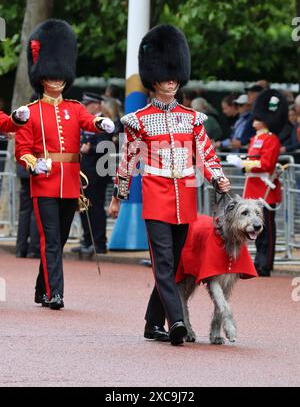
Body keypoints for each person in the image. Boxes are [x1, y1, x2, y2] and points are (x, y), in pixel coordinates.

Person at [108, 24, 231, 346]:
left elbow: (205, 154)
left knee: (173, 264)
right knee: (163, 261)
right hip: (156, 196)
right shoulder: (139, 120)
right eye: (165, 78)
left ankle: (152, 322)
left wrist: (219, 181)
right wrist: (118, 197)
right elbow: (129, 159)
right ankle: (175, 320)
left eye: (174, 77)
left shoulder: (192, 119)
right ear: (153, 81)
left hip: (185, 197)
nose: (171, 82)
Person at [15, 19, 115, 310]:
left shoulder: (74, 108)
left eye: (61, 77)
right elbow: (22, 150)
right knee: (52, 239)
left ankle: (41, 289)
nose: (57, 81)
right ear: (42, 77)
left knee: (56, 238)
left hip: (70, 181)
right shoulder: (29, 112)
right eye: (51, 76)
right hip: (44, 182)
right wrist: (34, 164)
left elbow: (87, 120)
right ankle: (55, 293)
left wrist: (100, 123)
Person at [227, 89, 288, 277]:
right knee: (252, 230)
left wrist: (244, 163)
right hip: (253, 188)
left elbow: (266, 164)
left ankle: (264, 264)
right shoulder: (255, 139)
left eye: (257, 118)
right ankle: (255, 263)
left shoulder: (271, 139)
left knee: (265, 231)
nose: (254, 120)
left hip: (266, 190)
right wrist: (243, 161)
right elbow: (255, 159)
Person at [71, 91, 113, 255]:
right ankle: (87, 240)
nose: (85, 107)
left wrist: (90, 148)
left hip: (97, 172)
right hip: (84, 172)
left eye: (87, 105)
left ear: (96, 105)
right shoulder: (87, 122)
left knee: (95, 209)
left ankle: (99, 243)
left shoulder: (103, 123)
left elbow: (106, 146)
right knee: (83, 207)